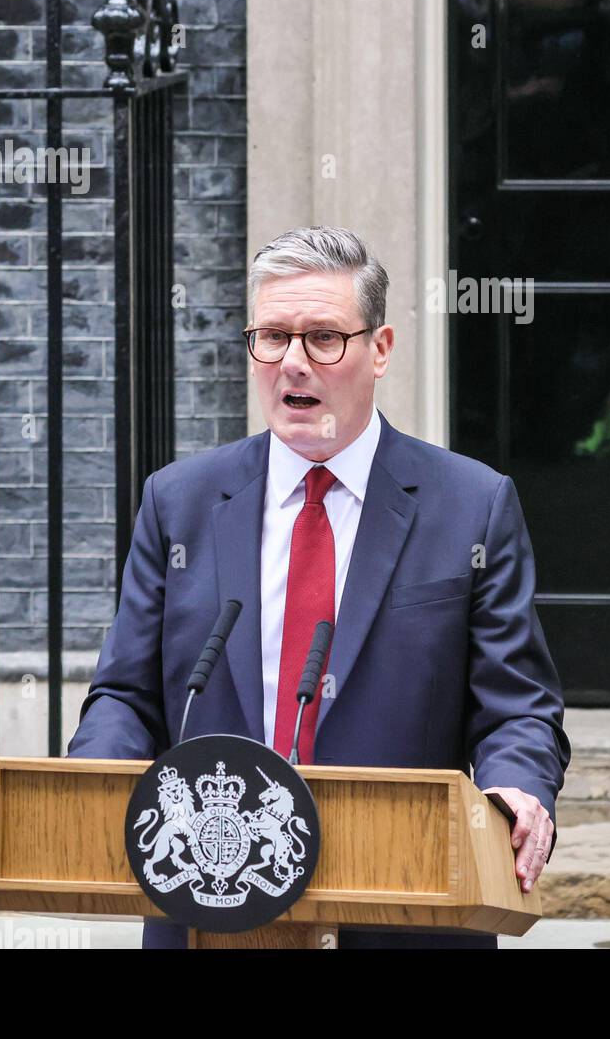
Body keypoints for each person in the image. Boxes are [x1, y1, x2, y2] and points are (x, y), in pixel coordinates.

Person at [69, 225, 571, 949]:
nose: (293, 364)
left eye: (324, 339)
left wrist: (516, 790)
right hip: (209, 907)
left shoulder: (471, 505)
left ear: (382, 349)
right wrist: (92, 781)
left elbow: (518, 706)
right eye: (272, 337)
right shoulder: (178, 502)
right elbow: (125, 694)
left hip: (409, 905)